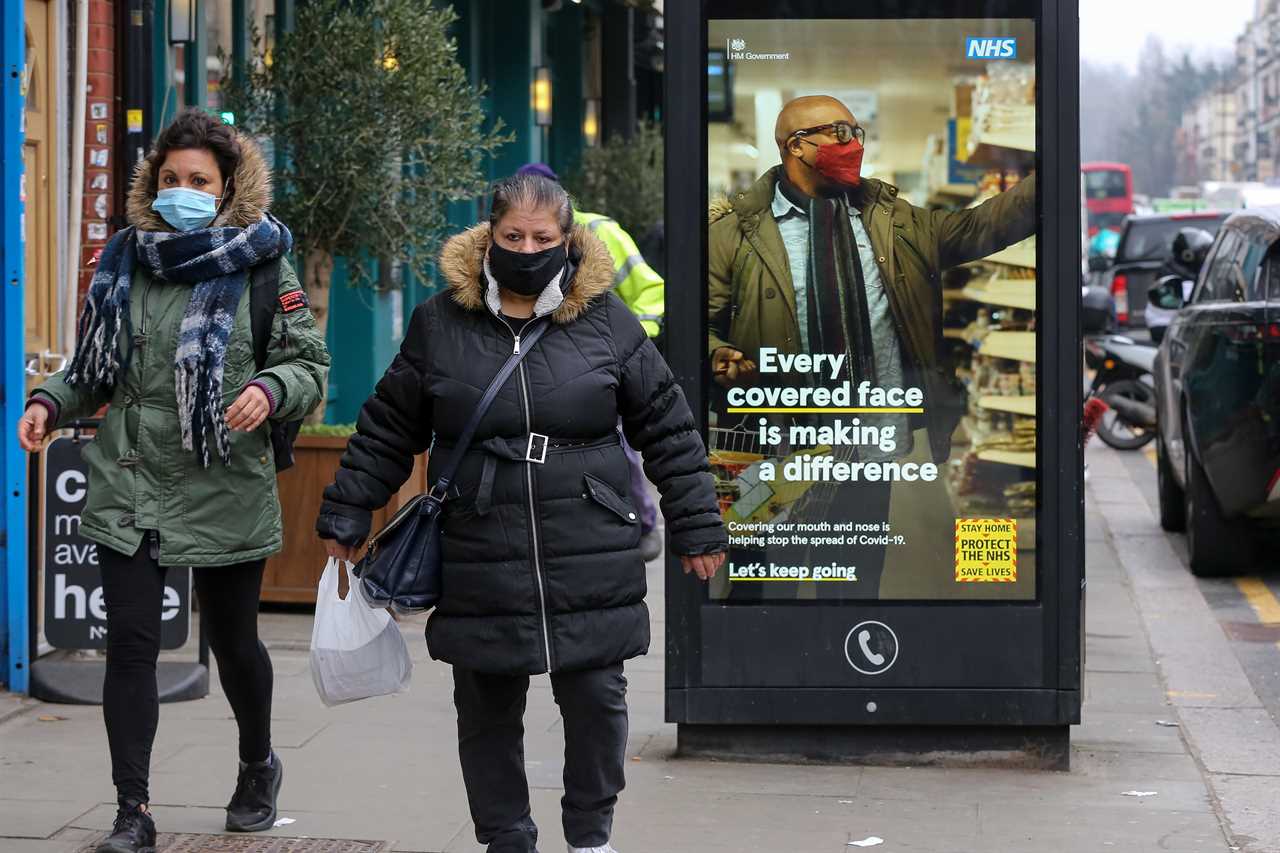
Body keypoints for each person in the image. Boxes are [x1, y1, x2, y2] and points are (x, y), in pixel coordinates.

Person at [316, 173, 727, 853]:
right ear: (489, 234)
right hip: (481, 538)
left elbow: (668, 428)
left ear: (568, 241)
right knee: (485, 706)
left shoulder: (608, 321)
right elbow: (389, 426)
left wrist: (697, 522)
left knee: (597, 698)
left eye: (543, 238)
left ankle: (590, 834)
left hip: (588, 537)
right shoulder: (440, 322)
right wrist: (346, 511)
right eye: (513, 236)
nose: (527, 249)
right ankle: (506, 835)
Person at [17, 108, 330, 853]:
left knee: (233, 641)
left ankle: (258, 761)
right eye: (170, 179)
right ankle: (135, 809)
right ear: (151, 184)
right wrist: (49, 402)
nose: (181, 191)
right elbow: (94, 371)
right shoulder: (125, 259)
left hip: (222, 478)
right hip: (128, 477)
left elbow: (310, 365)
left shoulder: (262, 262)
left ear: (228, 189)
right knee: (130, 643)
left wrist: (271, 388)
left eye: (199, 180)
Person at [707, 94, 1036, 597]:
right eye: (839, 133)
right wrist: (718, 355)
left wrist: (1053, 166)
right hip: (772, 442)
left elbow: (979, 229)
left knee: (855, 587)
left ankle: (843, 674)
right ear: (796, 146)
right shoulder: (735, 232)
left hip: (866, 440)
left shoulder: (893, 221)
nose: (853, 143)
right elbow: (691, 325)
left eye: (856, 131)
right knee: (762, 591)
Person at [515, 162, 666, 561]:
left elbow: (650, 291)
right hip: (535, 370)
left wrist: (629, 346)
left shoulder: (601, 231)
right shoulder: (508, 239)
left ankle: (643, 522)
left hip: (599, 368)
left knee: (616, 449)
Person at [1144, 227, 1212, 343]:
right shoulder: (1178, 278)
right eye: (1203, 253)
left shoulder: (1189, 273)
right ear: (1188, 255)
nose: (1206, 257)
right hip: (1171, 328)